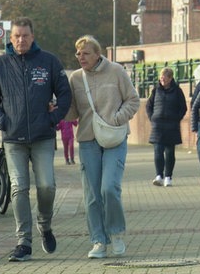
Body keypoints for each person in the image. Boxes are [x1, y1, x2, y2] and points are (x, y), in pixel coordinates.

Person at [0, 17, 71, 261]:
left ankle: (45, 224)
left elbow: (65, 93)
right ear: (10, 39)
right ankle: (24, 242)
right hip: (14, 139)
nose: (21, 40)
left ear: (33, 37)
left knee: (46, 186)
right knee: (19, 188)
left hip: (43, 136)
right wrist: (1, 120)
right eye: (16, 36)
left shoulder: (49, 62)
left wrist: (55, 119)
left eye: (25, 36)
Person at [65, 35, 139, 259]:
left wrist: (117, 118)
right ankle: (98, 240)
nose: (81, 57)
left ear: (97, 54)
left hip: (115, 138)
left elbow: (133, 100)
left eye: (86, 53)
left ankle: (116, 233)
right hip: (88, 140)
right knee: (92, 195)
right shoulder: (76, 79)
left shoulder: (116, 71)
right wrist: (57, 107)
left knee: (109, 188)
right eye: (78, 53)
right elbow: (72, 113)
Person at [146, 67, 187, 187]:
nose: (162, 79)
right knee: (158, 151)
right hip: (157, 125)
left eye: (165, 77)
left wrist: (176, 118)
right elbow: (149, 106)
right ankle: (159, 175)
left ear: (170, 78)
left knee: (170, 153)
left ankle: (168, 176)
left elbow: (183, 107)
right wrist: (152, 118)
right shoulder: (155, 91)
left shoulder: (177, 91)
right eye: (161, 77)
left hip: (171, 126)